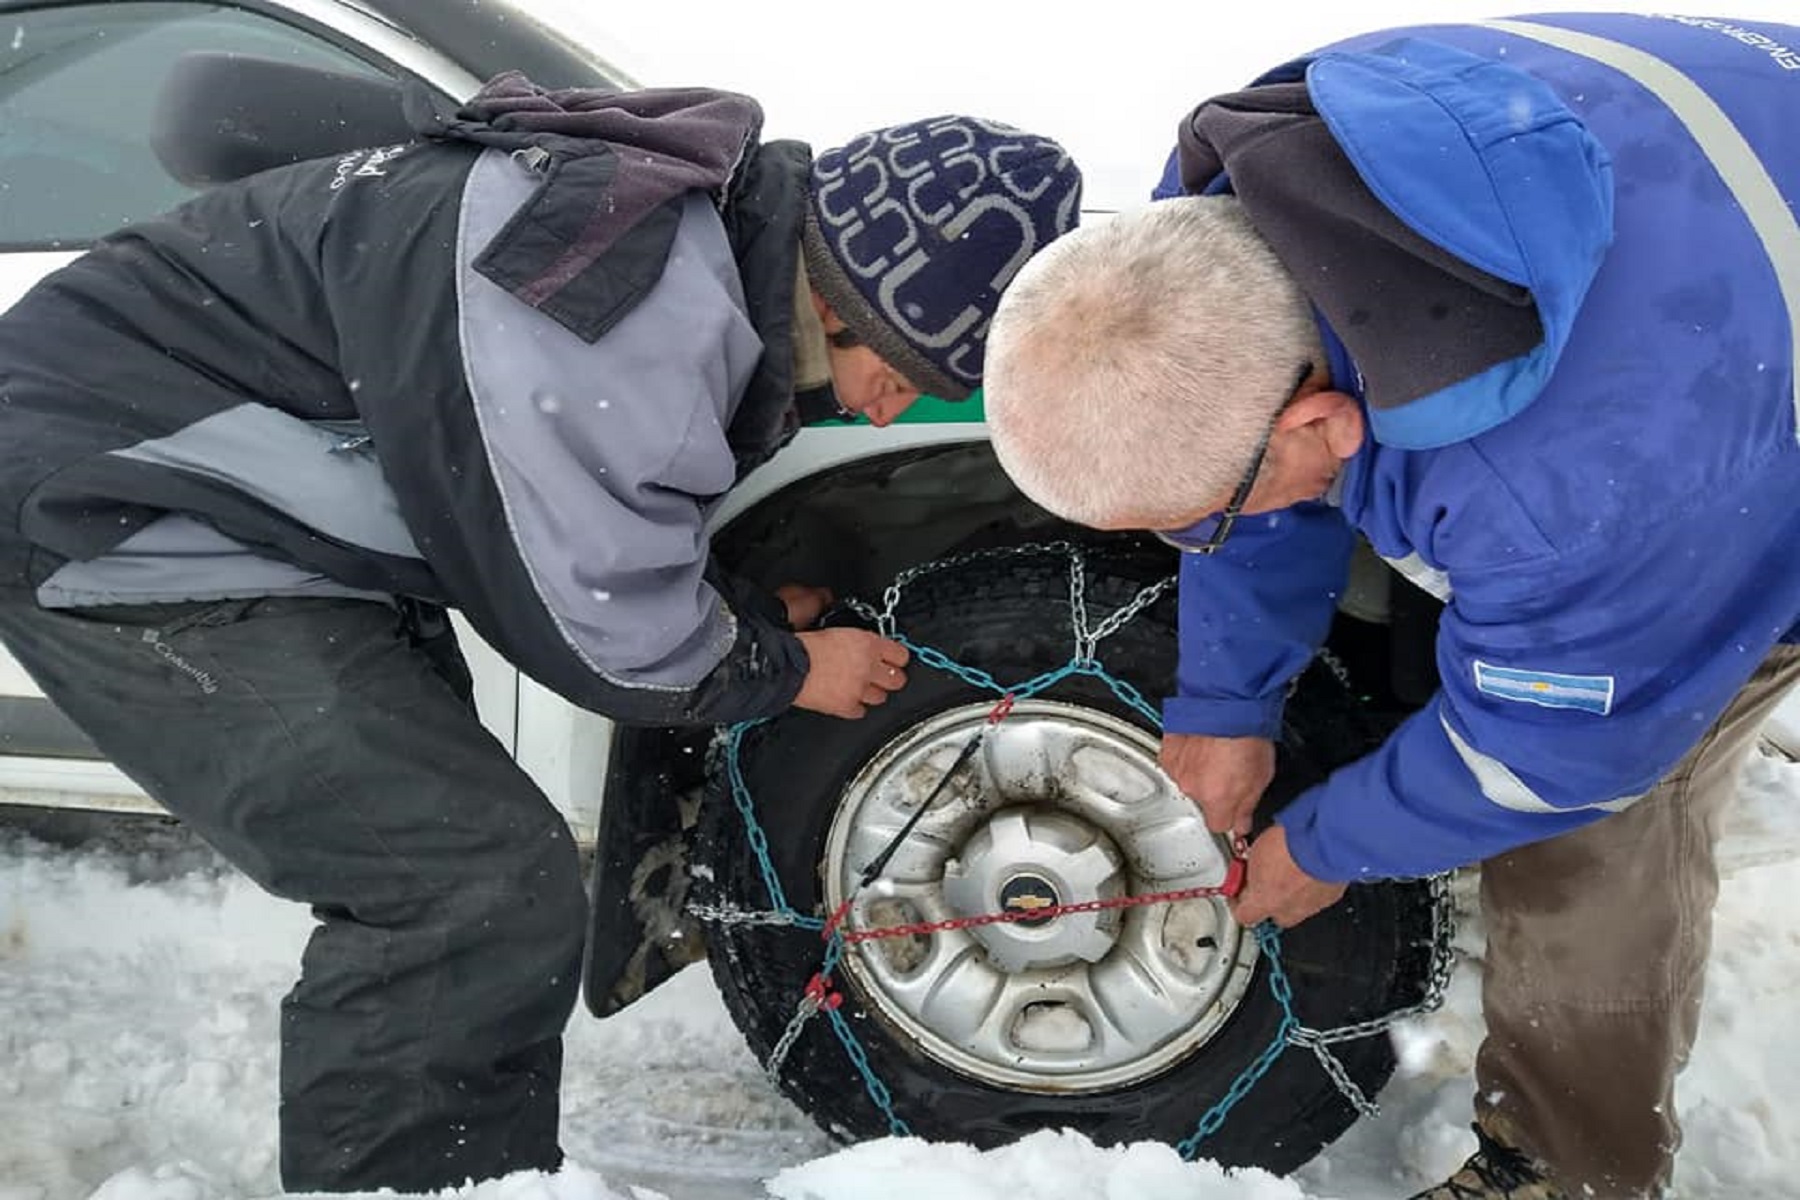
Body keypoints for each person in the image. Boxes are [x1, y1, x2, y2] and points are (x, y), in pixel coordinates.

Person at [0, 73, 1080, 1192]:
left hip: (267, 504)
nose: (888, 413)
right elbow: (604, 631)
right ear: (847, 299)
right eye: (900, 377)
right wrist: (789, 665)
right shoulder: (620, 300)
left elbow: (582, 501)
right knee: (459, 884)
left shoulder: (692, 242)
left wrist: (737, 613)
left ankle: (482, 1178)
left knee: (479, 880)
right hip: (117, 502)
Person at [981, 13, 1800, 1200]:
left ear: (1322, 423)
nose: (1189, 547)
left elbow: (1551, 756)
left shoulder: (1582, 489)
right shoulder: (1231, 195)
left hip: (1734, 393)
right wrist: (1226, 699)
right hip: (1729, 164)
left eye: (1194, 523)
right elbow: (1268, 442)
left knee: (1589, 827)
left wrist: (1328, 846)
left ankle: (1569, 1172)